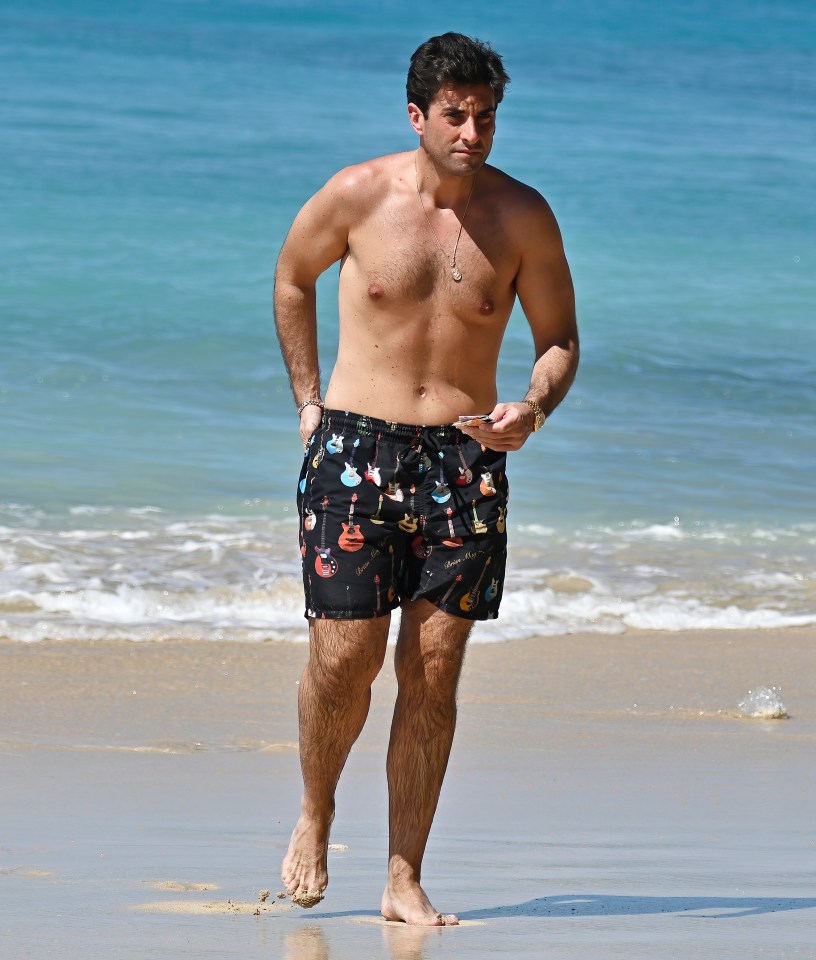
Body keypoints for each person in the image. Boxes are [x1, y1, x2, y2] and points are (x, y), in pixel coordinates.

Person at [273, 31, 579, 926]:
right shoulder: (357, 195)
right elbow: (292, 280)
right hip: (355, 450)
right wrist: (307, 399)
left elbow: (560, 339)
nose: (473, 133)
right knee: (346, 658)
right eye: (456, 116)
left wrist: (532, 406)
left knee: (433, 670)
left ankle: (403, 875)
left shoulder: (523, 216)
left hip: (465, 456)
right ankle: (316, 813)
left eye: (486, 117)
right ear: (417, 116)